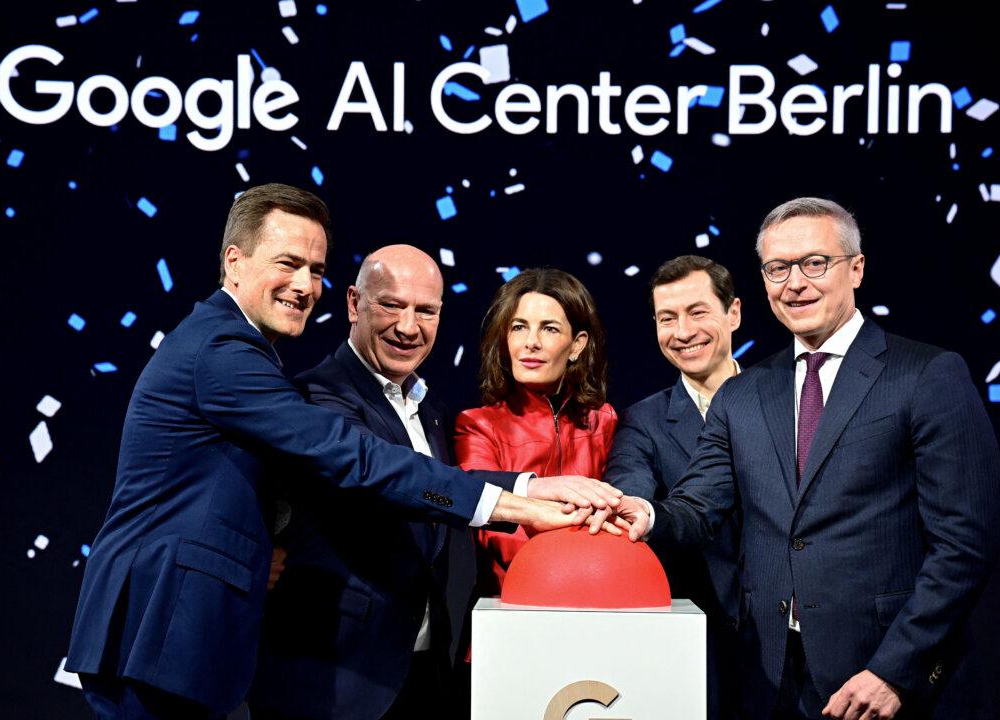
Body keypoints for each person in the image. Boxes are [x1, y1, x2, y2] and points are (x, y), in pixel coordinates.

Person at [64, 185, 628, 720]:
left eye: (315, 270)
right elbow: (354, 458)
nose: (304, 285)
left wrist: (527, 484)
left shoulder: (253, 354)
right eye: (287, 263)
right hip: (166, 624)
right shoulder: (225, 350)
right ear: (234, 262)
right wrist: (515, 501)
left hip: (192, 632)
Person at [650, 198, 1000, 720]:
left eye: (815, 263)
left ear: (856, 268)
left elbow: (964, 546)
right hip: (770, 680)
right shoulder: (741, 395)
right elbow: (696, 507)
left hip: (888, 682)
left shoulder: (927, 375)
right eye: (777, 268)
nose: (795, 283)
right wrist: (642, 513)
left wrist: (894, 672)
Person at [250, 245, 540, 719]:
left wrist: (532, 486)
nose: (408, 327)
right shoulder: (315, 398)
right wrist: (520, 501)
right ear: (353, 303)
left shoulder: (429, 408)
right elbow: (396, 479)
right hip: (329, 680)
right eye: (391, 305)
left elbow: (439, 487)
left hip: (419, 670)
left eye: (425, 311)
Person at [604, 255, 743, 720]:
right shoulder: (643, 420)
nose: (683, 332)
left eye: (697, 312)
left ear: (734, 313)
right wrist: (635, 507)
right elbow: (630, 486)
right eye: (667, 318)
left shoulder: (788, 400)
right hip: (699, 644)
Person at [455, 268, 618, 599]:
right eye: (519, 327)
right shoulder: (476, 425)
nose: (531, 342)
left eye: (549, 328)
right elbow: (493, 527)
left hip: (594, 602)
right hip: (509, 607)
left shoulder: (605, 421)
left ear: (577, 345)